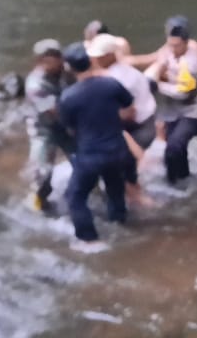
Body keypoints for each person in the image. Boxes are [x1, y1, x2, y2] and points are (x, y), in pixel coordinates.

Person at [58, 42, 135, 252]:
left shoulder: (68, 97)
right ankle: (120, 223)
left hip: (91, 155)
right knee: (115, 188)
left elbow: (70, 129)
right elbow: (130, 110)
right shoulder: (110, 84)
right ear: (91, 61)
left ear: (69, 68)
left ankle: (89, 240)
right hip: (117, 149)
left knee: (75, 197)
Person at [88, 33, 157, 207]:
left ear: (109, 56)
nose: (94, 59)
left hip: (137, 128)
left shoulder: (115, 80)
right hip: (148, 122)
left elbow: (127, 114)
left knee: (120, 166)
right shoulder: (125, 70)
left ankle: (140, 200)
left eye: (97, 56)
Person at [145, 16, 197, 184]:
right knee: (172, 148)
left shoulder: (191, 63)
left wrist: (157, 85)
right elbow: (159, 63)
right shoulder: (168, 50)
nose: (173, 49)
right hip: (173, 110)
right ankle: (178, 179)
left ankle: (180, 182)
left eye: (177, 46)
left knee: (174, 145)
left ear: (186, 43)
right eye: (170, 45)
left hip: (194, 110)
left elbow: (183, 93)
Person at [23, 38, 76, 213]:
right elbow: (54, 111)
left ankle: (91, 193)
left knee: (84, 162)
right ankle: (37, 205)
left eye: (57, 56)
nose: (58, 60)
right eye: (48, 58)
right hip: (44, 129)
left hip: (67, 125)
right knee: (42, 175)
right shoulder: (35, 85)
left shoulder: (66, 71)